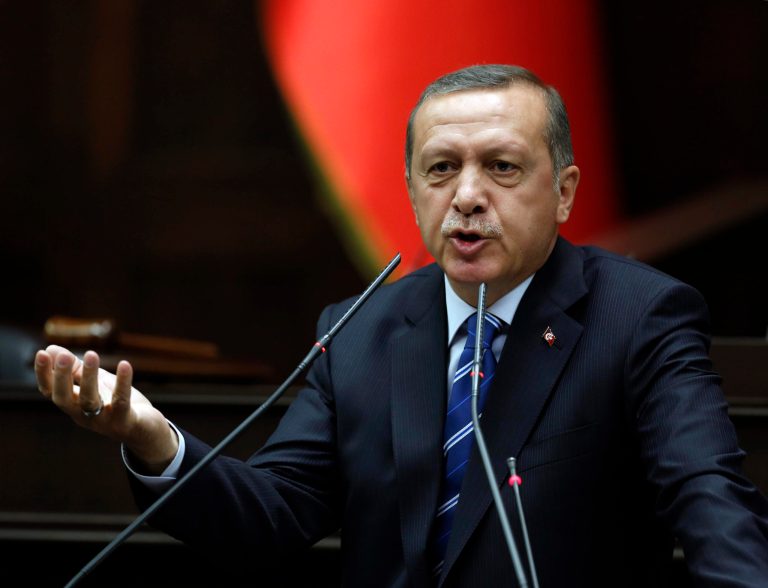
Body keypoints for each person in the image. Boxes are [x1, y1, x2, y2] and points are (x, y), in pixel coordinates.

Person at [35, 64, 768, 587]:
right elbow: (272, 520)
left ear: (565, 191)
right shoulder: (362, 328)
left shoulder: (640, 317)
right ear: (413, 190)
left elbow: (712, 506)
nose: (469, 197)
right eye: (442, 168)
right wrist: (149, 435)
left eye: (504, 169)